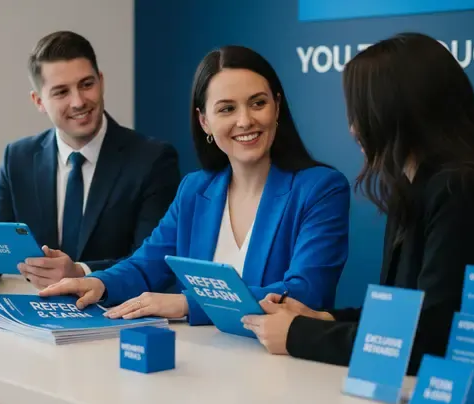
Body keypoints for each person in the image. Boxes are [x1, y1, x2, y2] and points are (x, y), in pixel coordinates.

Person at [242, 32, 474, 376]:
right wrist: (322, 318)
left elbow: (429, 338)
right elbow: (401, 313)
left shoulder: (463, 190)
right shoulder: (417, 186)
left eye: (361, 113)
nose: (353, 129)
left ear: (401, 111)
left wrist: (300, 335)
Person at [39, 45, 350, 323]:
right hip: (198, 364)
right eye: (227, 108)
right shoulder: (194, 189)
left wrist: (188, 304)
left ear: (277, 107)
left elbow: (304, 293)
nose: (245, 121)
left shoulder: (321, 189)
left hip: (278, 367)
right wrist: (100, 283)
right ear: (205, 122)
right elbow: (147, 264)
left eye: (257, 103)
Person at [0, 31, 181, 294]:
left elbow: (154, 263)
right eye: (61, 92)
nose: (79, 101)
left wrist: (80, 273)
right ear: (38, 101)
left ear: (101, 81)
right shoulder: (18, 158)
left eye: (86, 84)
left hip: (115, 315)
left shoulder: (153, 159)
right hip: (33, 317)